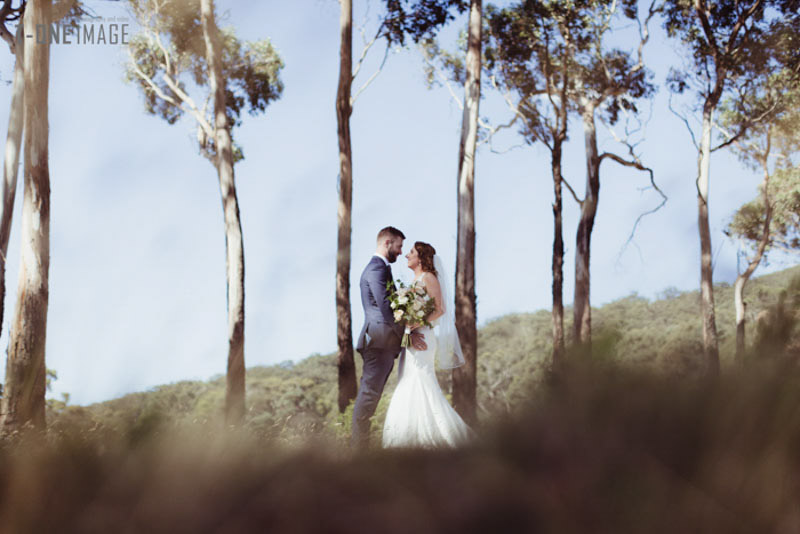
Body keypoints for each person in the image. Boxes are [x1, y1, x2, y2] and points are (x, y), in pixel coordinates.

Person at [382, 241, 472, 448]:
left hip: (422, 336)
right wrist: (406, 326)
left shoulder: (428, 278)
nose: (406, 256)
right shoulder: (413, 280)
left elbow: (440, 309)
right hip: (411, 336)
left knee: (420, 380)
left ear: (421, 258)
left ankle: (440, 437)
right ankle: (412, 437)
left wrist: (415, 324)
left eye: (411, 253)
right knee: (408, 378)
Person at [351, 227, 427, 449]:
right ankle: (358, 451)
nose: (401, 251)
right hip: (378, 342)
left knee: (371, 396)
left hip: (384, 342)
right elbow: (385, 308)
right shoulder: (376, 269)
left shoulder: (382, 268)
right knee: (369, 395)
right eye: (399, 246)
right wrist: (408, 335)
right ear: (387, 243)